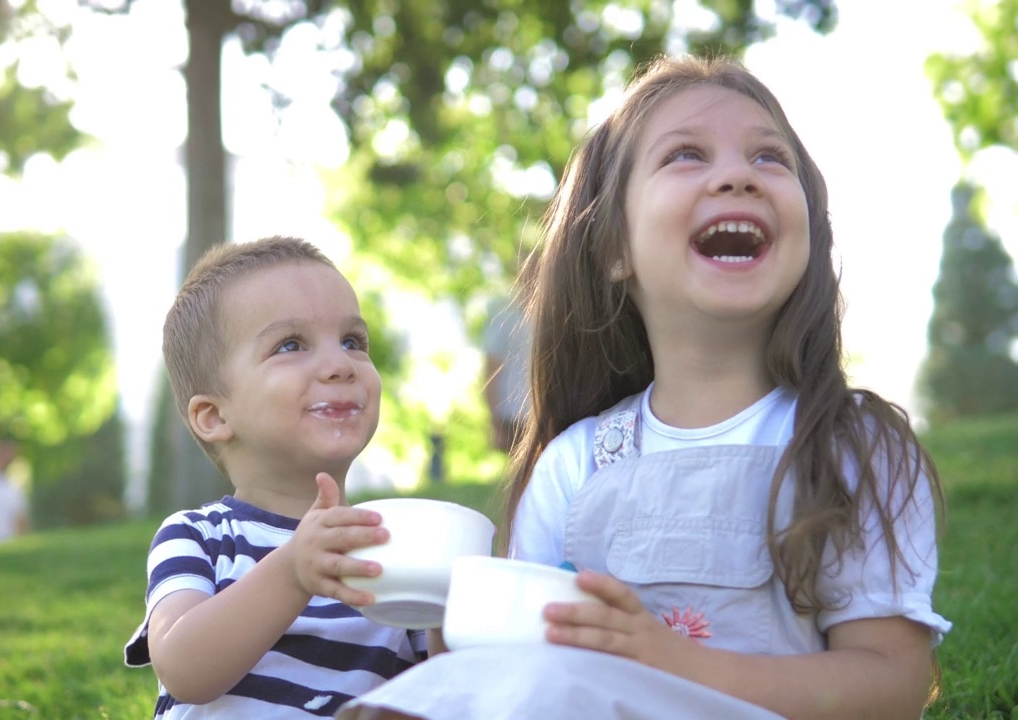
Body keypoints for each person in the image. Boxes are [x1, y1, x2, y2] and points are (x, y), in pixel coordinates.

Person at [338, 54, 950, 720]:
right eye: (686, 155)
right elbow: (514, 667)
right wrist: (440, 621)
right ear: (613, 250)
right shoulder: (575, 465)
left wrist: (676, 663)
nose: (738, 175)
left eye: (771, 158)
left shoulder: (847, 446)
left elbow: (891, 687)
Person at [122, 235, 426, 719]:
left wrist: (455, 612)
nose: (339, 364)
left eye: (352, 341)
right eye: (290, 345)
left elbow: (454, 695)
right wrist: (292, 571)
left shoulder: (391, 548)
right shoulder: (198, 537)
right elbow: (183, 668)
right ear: (214, 416)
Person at [482, 292, 531, 454]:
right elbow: (491, 370)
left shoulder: (553, 314)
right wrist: (494, 418)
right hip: (513, 416)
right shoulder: (505, 318)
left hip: (544, 413)